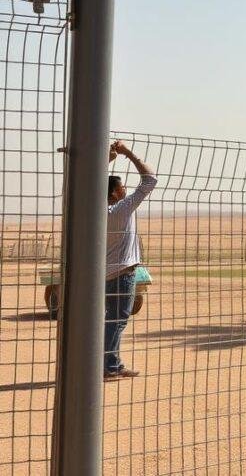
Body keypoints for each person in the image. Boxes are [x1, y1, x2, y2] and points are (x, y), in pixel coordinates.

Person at [105, 139, 157, 381]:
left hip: (104, 274)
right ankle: (109, 366)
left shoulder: (98, 210)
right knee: (117, 321)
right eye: (122, 187)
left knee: (112, 319)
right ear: (116, 193)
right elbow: (150, 179)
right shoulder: (122, 209)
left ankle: (112, 363)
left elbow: (89, 186)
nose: (125, 189)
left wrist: (105, 161)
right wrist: (127, 153)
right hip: (123, 272)